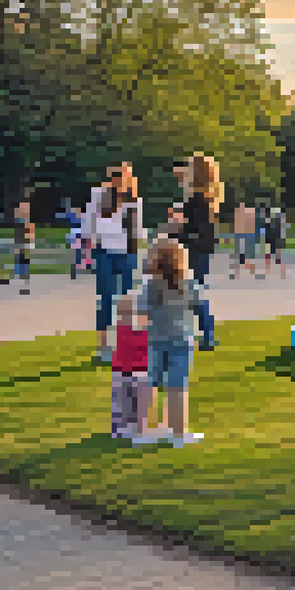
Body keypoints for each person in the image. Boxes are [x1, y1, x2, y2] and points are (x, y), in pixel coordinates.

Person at [130, 237, 213, 447]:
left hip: (154, 340)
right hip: (182, 340)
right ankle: (178, 434)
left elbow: (140, 316)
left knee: (149, 385)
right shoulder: (188, 284)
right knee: (177, 387)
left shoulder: (149, 285)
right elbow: (199, 306)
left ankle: (142, 433)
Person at [86, 165, 146, 352]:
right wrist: (93, 242)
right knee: (105, 298)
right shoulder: (99, 196)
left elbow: (138, 229)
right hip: (105, 252)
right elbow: (90, 224)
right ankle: (103, 345)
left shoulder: (134, 201)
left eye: (124, 179)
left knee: (128, 299)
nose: (121, 183)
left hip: (128, 253)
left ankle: (126, 343)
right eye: (117, 178)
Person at [171, 154, 223, 286]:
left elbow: (194, 227)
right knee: (198, 289)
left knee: (191, 289)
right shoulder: (210, 196)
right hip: (204, 247)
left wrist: (178, 223)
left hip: (193, 249)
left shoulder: (196, 198)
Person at [108, 293, 152, 440]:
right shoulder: (144, 332)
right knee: (140, 403)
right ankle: (139, 429)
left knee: (121, 403)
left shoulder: (116, 330)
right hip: (140, 372)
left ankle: (119, 428)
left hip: (120, 372)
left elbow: (113, 350)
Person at [57, 197, 86, 279]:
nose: (77, 210)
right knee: (76, 254)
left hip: (79, 236)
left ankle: (77, 269)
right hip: (75, 236)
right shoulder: (74, 216)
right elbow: (61, 215)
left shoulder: (81, 216)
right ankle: (75, 270)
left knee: (79, 254)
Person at [232, 202, 257, 279]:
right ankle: (240, 270)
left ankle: (247, 269)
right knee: (242, 252)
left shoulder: (246, 212)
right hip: (243, 233)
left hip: (245, 234)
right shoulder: (245, 212)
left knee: (246, 252)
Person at [264, 206, 287, 279]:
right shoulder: (275, 220)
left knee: (274, 252)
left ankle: (271, 268)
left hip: (273, 236)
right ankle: (271, 268)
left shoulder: (271, 220)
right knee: (274, 252)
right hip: (273, 236)